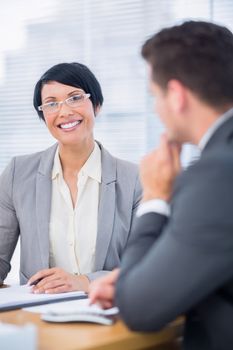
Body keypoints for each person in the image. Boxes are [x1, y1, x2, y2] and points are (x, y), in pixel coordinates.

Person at [89, 21, 233, 349]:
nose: (155, 108)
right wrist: (145, 277)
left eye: (155, 96)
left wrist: (155, 197)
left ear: (177, 95)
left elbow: (140, 308)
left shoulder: (216, 175)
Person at [0, 62, 141, 293]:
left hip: (109, 315)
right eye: (51, 104)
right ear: (43, 115)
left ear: (96, 105)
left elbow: (146, 267)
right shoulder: (18, 173)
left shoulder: (134, 180)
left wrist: (84, 282)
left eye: (75, 98)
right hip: (38, 317)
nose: (64, 112)